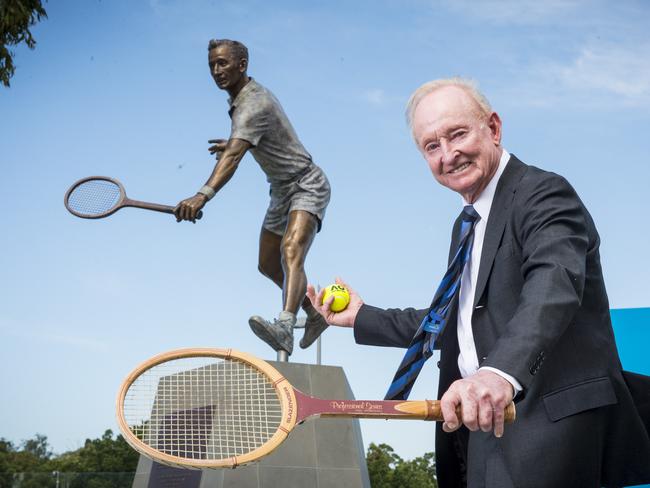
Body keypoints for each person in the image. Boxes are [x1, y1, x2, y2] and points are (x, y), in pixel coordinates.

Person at [307, 78, 650, 487]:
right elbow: (457, 321)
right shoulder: (466, 224)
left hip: (546, 421)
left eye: (458, 134)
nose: (448, 155)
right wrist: (362, 317)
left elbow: (553, 285)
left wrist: (497, 374)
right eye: (431, 146)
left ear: (493, 128)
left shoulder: (543, 193)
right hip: (480, 428)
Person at [175, 39, 331, 355]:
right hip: (280, 190)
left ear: (242, 65)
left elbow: (232, 159)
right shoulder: (241, 101)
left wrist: (201, 196)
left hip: (307, 184)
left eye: (223, 64)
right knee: (268, 264)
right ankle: (314, 314)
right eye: (212, 65)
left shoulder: (252, 104)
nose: (216, 71)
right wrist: (237, 142)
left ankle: (285, 326)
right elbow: (246, 143)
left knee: (291, 250)